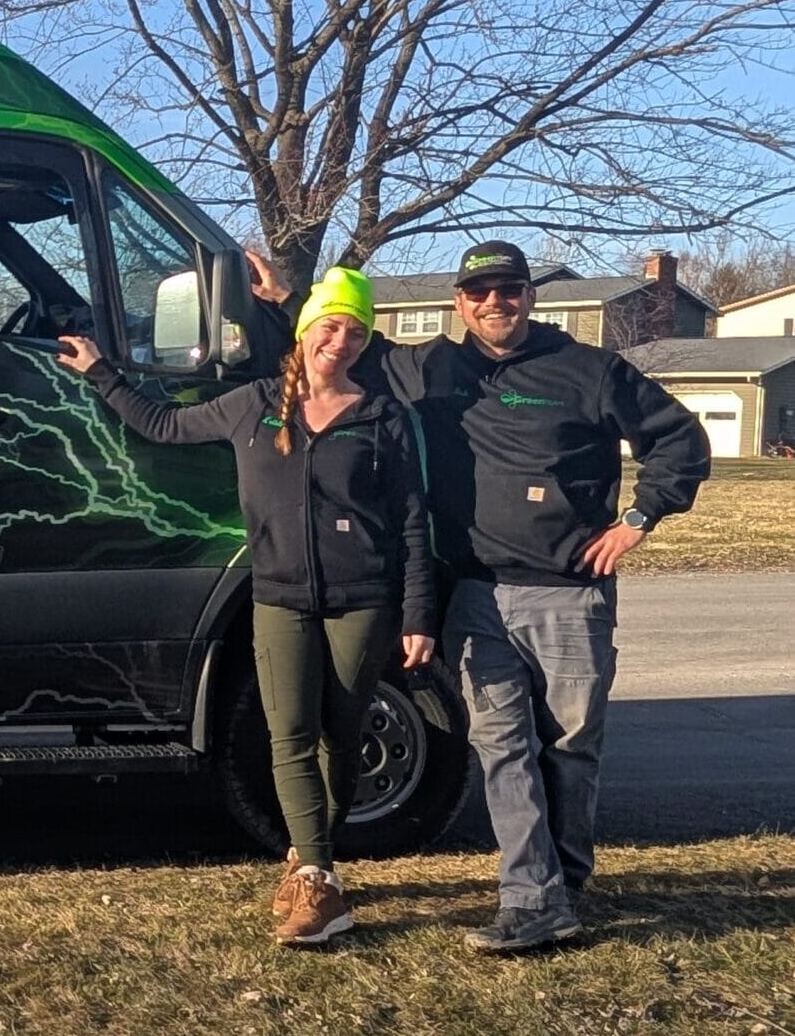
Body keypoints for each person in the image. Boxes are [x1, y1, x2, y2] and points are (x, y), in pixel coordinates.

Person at [248, 241, 710, 952]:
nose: (496, 302)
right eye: (481, 291)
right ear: (461, 303)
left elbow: (679, 439)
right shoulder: (432, 367)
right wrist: (289, 297)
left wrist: (638, 520)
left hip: (569, 594)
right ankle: (530, 899)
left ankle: (564, 880)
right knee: (503, 748)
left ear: (530, 296)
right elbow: (338, 344)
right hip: (476, 594)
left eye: (510, 289)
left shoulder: (589, 371)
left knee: (570, 747)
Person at [57, 266, 436, 946]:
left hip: (365, 599)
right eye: (331, 325)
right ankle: (318, 881)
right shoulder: (252, 403)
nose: (341, 340)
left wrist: (416, 614)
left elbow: (411, 521)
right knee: (289, 733)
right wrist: (100, 371)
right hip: (279, 597)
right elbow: (161, 423)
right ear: (305, 330)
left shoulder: (383, 418)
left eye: (355, 331)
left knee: (340, 735)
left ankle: (312, 859)